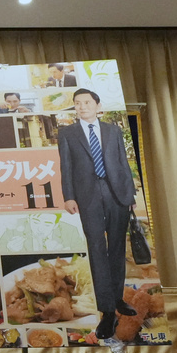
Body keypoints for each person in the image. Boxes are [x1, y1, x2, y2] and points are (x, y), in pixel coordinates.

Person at [57, 88, 137, 339]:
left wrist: (130, 195)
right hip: (87, 195)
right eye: (77, 103)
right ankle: (107, 312)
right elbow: (66, 166)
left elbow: (122, 163)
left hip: (116, 193)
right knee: (96, 249)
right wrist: (69, 196)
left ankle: (117, 299)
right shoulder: (67, 133)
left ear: (97, 104)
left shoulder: (113, 130)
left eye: (86, 102)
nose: (82, 107)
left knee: (117, 248)